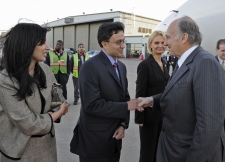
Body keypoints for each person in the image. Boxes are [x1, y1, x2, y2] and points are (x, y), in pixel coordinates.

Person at [138, 16, 225, 162]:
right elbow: (180, 94)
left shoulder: (205, 64)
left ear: (184, 38)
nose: (165, 43)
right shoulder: (184, 62)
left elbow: (209, 127)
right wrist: (152, 99)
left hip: (186, 153)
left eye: (168, 38)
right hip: (173, 150)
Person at [70, 21, 143, 162]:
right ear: (105, 44)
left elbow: (124, 97)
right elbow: (92, 105)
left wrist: (122, 125)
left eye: (124, 41)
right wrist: (126, 106)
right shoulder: (90, 66)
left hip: (114, 139)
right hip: (94, 141)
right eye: (119, 42)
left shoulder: (121, 67)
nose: (123, 45)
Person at [0, 23, 69, 161]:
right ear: (26, 45)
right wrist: (57, 114)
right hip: (19, 151)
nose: (48, 47)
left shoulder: (46, 70)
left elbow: (58, 97)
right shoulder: (6, 80)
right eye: (42, 42)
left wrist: (54, 111)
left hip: (47, 147)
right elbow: (28, 124)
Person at [135, 30, 170, 162]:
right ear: (150, 45)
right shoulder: (145, 65)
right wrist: (140, 118)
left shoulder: (164, 63)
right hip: (148, 116)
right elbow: (140, 93)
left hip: (162, 114)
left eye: (162, 42)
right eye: (156, 43)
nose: (160, 45)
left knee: (158, 150)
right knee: (147, 153)